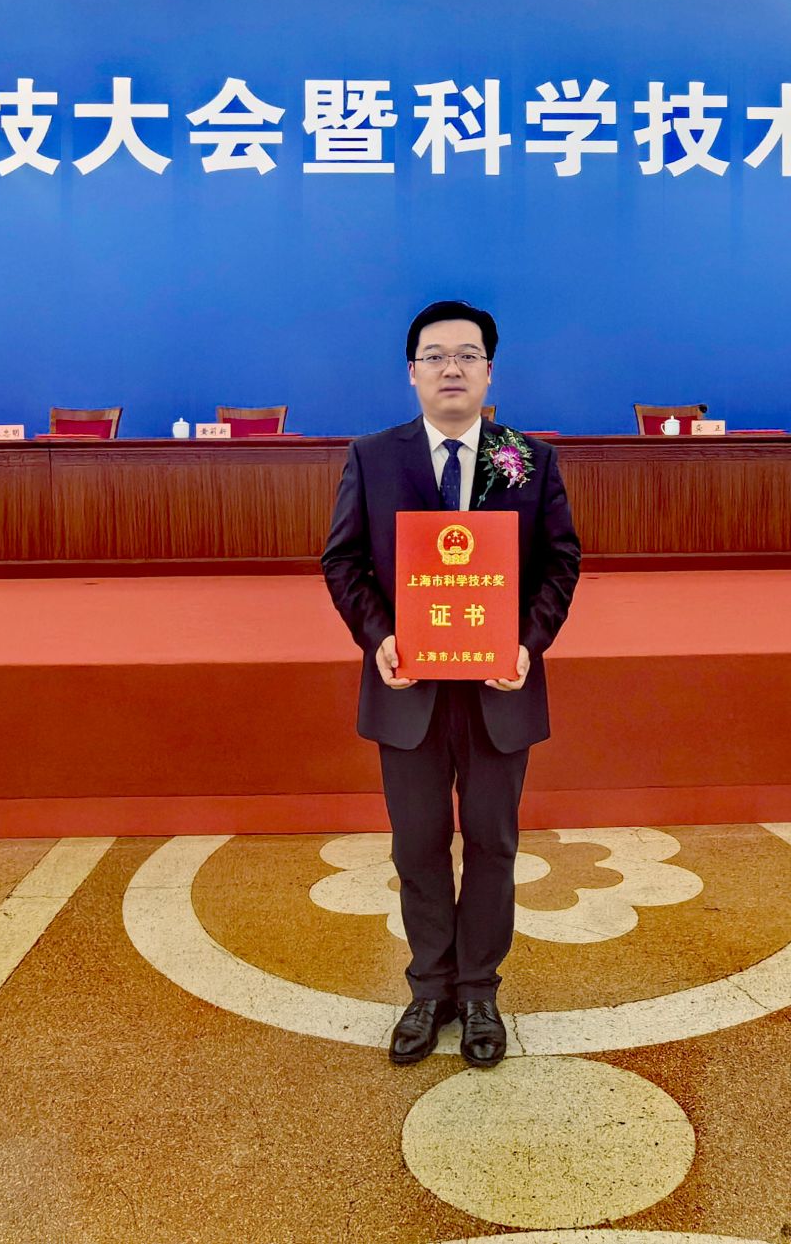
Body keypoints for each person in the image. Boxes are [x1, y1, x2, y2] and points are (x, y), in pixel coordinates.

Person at [320, 300, 581, 1068]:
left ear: (490, 371)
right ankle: (428, 988)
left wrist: (528, 643)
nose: (452, 368)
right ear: (412, 373)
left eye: (468, 354)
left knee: (493, 843)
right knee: (419, 843)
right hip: (411, 691)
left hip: (499, 690)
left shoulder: (529, 458)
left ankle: (479, 993)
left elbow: (561, 562)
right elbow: (343, 561)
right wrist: (380, 637)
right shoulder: (373, 457)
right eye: (435, 355)